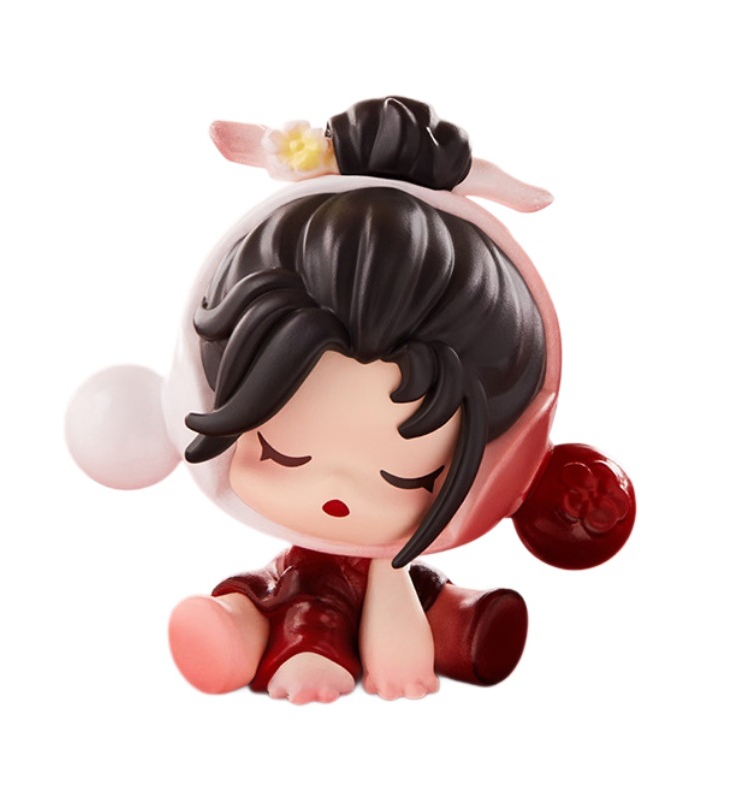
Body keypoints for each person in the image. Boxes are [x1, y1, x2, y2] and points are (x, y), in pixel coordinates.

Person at [66, 97, 635, 703]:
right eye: (283, 454)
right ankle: (255, 635)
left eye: (405, 477)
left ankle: (459, 627)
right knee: (298, 612)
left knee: (430, 601)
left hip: (406, 572)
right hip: (302, 588)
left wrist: (393, 565)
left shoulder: (456, 498)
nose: (337, 493)